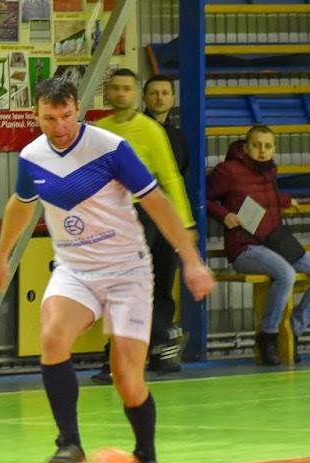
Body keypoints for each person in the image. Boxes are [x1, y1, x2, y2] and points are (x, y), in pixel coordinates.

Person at [0, 79, 214, 463]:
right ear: (36, 116)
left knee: (128, 381)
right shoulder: (32, 156)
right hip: (75, 270)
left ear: (79, 110)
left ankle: (146, 454)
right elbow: (20, 206)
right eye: (49, 118)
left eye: (67, 116)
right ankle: (69, 443)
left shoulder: (110, 148)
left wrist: (192, 261)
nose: (59, 127)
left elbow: (157, 201)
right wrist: (1, 258)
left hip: (127, 270)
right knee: (53, 335)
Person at [91, 69, 196, 383]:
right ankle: (158, 338)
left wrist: (185, 223)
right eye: (116, 88)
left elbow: (171, 176)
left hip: (142, 214)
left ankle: (144, 345)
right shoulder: (99, 130)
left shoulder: (151, 130)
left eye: (127, 89)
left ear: (135, 94)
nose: (121, 94)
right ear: (107, 93)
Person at [207, 125, 310, 365]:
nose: (262, 150)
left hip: (276, 242)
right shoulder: (228, 171)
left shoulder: (268, 172)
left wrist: (285, 200)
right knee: (286, 273)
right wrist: (223, 214)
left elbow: (260, 197)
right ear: (246, 148)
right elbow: (202, 197)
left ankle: (292, 332)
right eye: (256, 145)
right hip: (245, 248)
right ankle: (268, 335)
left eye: (267, 146)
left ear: (274, 149)